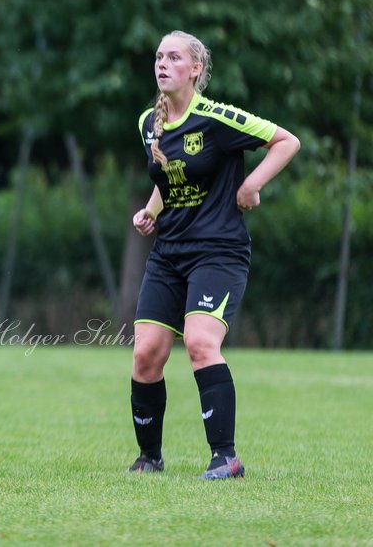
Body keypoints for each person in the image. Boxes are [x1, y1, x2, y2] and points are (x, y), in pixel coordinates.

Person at [127, 31, 299, 479]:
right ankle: (149, 457)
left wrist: (251, 184)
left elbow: (287, 141)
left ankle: (226, 457)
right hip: (169, 254)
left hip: (218, 253)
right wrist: (150, 210)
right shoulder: (150, 122)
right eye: (159, 56)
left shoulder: (217, 118)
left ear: (196, 69)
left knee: (201, 344)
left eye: (174, 57)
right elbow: (171, 179)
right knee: (146, 354)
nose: (162, 64)